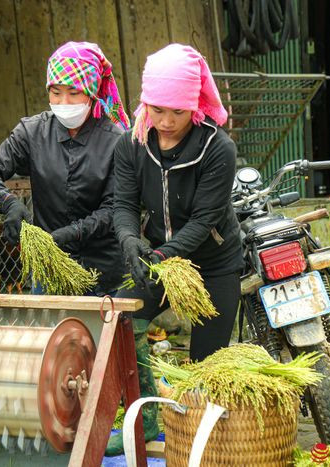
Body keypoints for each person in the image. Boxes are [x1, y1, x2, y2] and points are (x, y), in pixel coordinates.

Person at [105, 44, 244, 455]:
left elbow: (205, 220)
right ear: (146, 102)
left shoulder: (216, 148)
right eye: (157, 109)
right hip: (159, 259)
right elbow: (124, 204)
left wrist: (163, 254)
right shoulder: (132, 143)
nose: (165, 122)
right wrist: (130, 240)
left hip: (213, 262)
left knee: (206, 364)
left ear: (194, 106)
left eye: (177, 113)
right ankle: (144, 422)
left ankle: (202, 445)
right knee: (122, 329)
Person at [0, 41, 129, 296]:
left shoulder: (116, 139)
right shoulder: (32, 131)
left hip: (103, 273)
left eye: (73, 93)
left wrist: (71, 234)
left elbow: (116, 208)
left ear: (91, 93)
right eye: (56, 93)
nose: (64, 102)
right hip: (48, 268)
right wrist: (9, 203)